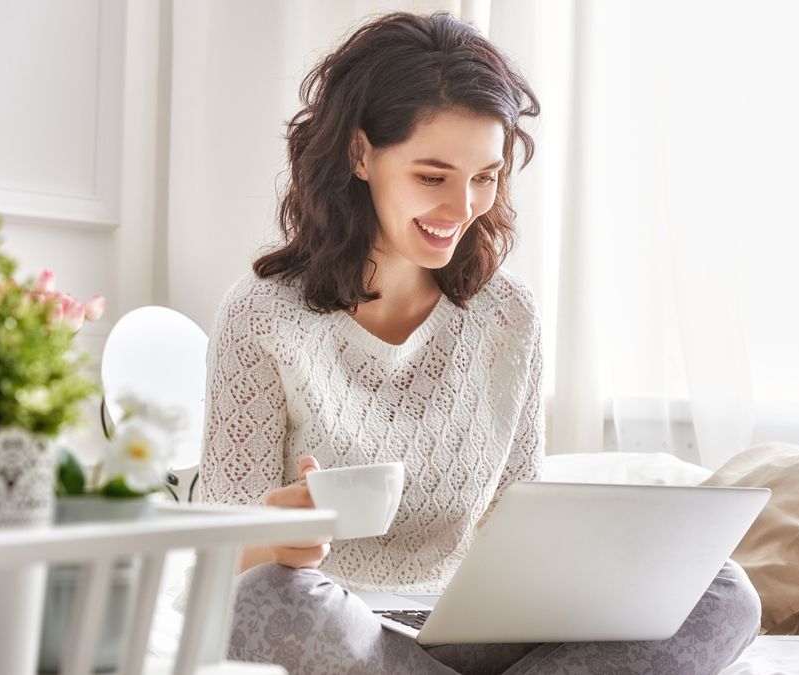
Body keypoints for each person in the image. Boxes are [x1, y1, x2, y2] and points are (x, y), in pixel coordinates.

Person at [199, 11, 761, 675]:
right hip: (337, 618)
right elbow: (218, 565)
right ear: (359, 154)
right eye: (432, 176)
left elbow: (516, 526)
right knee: (267, 601)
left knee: (724, 589)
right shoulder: (263, 313)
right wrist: (279, 538)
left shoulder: (508, 318)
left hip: (472, 627)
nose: (461, 207)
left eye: (485, 177)